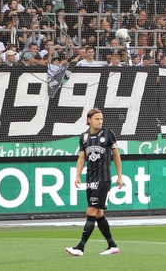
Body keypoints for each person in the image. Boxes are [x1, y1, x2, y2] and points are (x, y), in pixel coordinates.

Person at [66, 108, 123, 256]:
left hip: (103, 178)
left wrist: (119, 176)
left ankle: (80, 247)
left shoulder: (108, 134)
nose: (100, 121)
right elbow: (81, 157)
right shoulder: (84, 137)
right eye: (97, 119)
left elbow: (116, 155)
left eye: (101, 119)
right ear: (89, 120)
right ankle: (112, 245)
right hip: (90, 179)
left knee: (90, 211)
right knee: (98, 213)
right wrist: (78, 175)